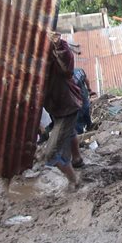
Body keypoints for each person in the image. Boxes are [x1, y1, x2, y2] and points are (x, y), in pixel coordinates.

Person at [40, 32, 84, 188]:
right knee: (69, 132)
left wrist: (57, 45)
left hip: (67, 105)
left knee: (50, 153)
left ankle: (74, 180)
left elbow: (67, 68)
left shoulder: (57, 46)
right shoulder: (32, 54)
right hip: (56, 105)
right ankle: (77, 159)